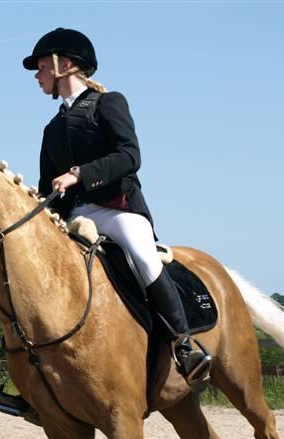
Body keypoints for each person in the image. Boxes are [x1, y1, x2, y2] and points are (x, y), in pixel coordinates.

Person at [23, 27, 212, 381]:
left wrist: (78, 175)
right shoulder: (51, 129)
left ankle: (184, 345)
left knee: (142, 254)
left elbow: (129, 155)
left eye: (42, 67)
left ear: (64, 65)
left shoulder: (109, 104)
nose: (37, 75)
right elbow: (45, 185)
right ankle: (35, 374)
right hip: (75, 216)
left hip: (117, 211)